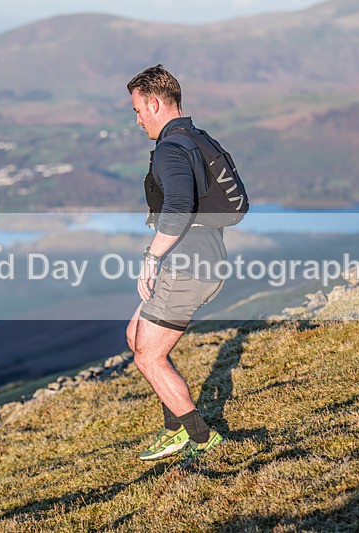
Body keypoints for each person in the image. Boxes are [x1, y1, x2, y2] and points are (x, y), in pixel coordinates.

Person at [125, 64, 227, 461]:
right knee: (136, 335)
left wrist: (151, 258)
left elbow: (181, 207)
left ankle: (200, 439)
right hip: (198, 259)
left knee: (148, 355)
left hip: (189, 266)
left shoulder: (170, 148)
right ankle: (176, 431)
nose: (137, 120)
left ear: (153, 102)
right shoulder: (194, 137)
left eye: (137, 110)